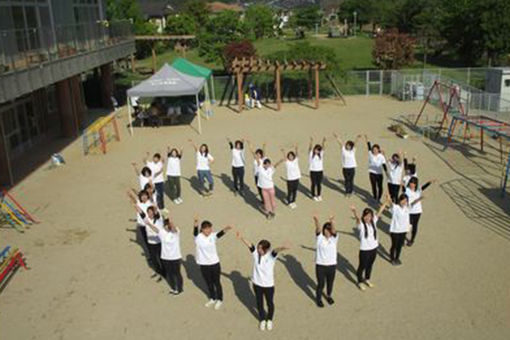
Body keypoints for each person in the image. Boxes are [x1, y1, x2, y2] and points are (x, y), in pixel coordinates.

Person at [236, 230, 289, 331]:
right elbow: (250, 245)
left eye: (260, 248)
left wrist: (283, 247)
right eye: (258, 247)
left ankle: (269, 320)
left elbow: (276, 250)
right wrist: (242, 237)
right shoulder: (256, 254)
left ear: (266, 249)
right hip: (257, 284)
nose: (258, 249)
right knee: (259, 303)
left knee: (270, 303)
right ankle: (262, 320)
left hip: (268, 285)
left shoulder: (271, 256)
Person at [193, 216, 232, 310]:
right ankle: (212, 298)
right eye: (207, 229)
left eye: (210, 228)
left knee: (217, 282)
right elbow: (195, 231)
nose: (209, 230)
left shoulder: (212, 236)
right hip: (203, 264)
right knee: (208, 282)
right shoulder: (198, 237)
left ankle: (220, 299)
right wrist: (195, 222)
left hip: (214, 264)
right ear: (202, 229)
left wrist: (227, 228)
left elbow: (220, 234)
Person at [350, 201, 388, 291]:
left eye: (370, 216)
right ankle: (359, 281)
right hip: (364, 250)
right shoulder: (362, 225)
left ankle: (367, 279)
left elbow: (379, 212)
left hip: (374, 248)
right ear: (363, 216)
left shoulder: (373, 222)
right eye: (366, 216)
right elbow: (358, 220)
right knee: (362, 266)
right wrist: (354, 212)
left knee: (370, 265)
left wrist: (386, 203)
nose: (368, 218)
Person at [145, 216, 183, 294]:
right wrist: (148, 224)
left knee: (177, 273)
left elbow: (174, 229)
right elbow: (155, 229)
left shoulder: (176, 232)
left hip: (175, 257)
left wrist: (171, 222)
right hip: (165, 257)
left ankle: (179, 288)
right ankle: (173, 287)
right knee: (170, 273)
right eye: (166, 225)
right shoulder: (162, 233)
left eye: (168, 225)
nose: (168, 227)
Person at [388, 193, 422, 265]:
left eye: (406, 201)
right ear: (399, 200)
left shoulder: (407, 208)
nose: (404, 202)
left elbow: (412, 203)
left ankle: (397, 258)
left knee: (399, 245)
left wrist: (419, 199)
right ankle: (392, 258)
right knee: (394, 245)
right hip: (395, 231)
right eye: (402, 200)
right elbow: (391, 205)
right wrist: (389, 199)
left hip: (403, 231)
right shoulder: (396, 207)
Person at [132, 204, 164, 277]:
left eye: (151, 212)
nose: (149, 213)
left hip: (158, 243)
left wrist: (154, 207)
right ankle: (158, 271)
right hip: (151, 243)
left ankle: (164, 272)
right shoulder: (146, 219)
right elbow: (141, 212)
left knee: (161, 258)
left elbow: (157, 212)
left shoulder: (159, 220)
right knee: (154, 259)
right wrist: (134, 204)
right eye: (148, 212)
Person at [312, 214, 338, 307]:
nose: (327, 232)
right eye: (326, 229)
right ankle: (318, 299)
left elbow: (335, 231)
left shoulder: (334, 239)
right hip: (321, 265)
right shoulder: (320, 239)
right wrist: (316, 220)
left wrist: (332, 222)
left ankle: (329, 296)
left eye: (329, 230)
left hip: (332, 265)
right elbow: (318, 229)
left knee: (330, 283)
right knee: (321, 284)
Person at [405, 177, 436, 246]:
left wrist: (430, 182)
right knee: (407, 225)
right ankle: (402, 236)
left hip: (417, 211)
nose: (411, 184)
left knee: (415, 226)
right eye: (411, 182)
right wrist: (419, 199)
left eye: (413, 183)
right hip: (409, 211)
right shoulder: (406, 191)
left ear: (416, 184)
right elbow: (410, 203)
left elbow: (423, 187)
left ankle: (412, 240)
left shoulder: (418, 190)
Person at [256, 155, 284, 220]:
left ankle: (273, 212)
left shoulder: (270, 169)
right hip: (264, 189)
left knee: (272, 201)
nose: (268, 166)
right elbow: (258, 161)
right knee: (266, 202)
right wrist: (257, 157)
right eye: (267, 164)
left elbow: (276, 165)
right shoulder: (260, 168)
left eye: (269, 164)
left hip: (271, 188)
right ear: (264, 164)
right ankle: (268, 213)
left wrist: (281, 161)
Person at [364, 135, 387, 202]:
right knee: (373, 185)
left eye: (376, 149)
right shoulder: (370, 153)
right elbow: (368, 146)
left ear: (378, 150)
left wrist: (386, 172)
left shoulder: (381, 156)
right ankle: (374, 196)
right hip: (372, 173)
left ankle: (379, 198)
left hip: (379, 173)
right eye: (373, 149)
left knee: (379, 186)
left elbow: (384, 164)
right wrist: (367, 138)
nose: (374, 151)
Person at [282, 144, 301, 209]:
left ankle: (293, 201)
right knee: (290, 191)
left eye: (292, 156)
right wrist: (283, 151)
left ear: (293, 156)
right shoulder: (287, 162)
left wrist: (296, 148)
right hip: (290, 179)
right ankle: (289, 202)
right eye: (289, 156)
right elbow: (284, 157)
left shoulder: (295, 161)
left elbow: (297, 154)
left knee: (295, 191)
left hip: (296, 178)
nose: (291, 157)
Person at [309, 137, 326, 201]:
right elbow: (310, 148)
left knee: (319, 184)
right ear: (314, 149)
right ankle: (313, 195)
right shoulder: (311, 155)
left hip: (320, 171)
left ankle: (319, 195)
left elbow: (323, 148)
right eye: (316, 149)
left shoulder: (320, 155)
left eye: (318, 150)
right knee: (313, 184)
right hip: (313, 171)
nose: (317, 151)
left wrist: (323, 141)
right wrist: (311, 141)